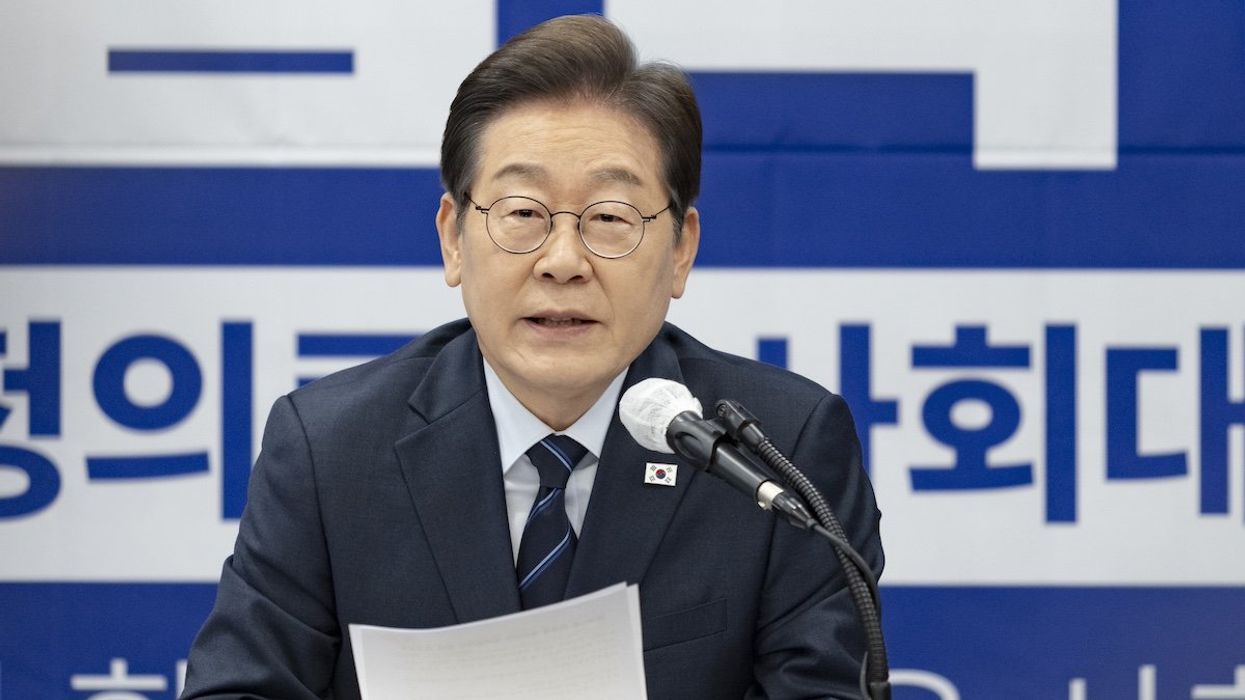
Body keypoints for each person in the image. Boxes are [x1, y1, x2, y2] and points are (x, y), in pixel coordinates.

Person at [182, 14, 883, 700]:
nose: (562, 261)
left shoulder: (779, 453)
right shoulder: (330, 447)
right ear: (454, 238)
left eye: (609, 218)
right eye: (522, 212)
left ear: (680, 251)